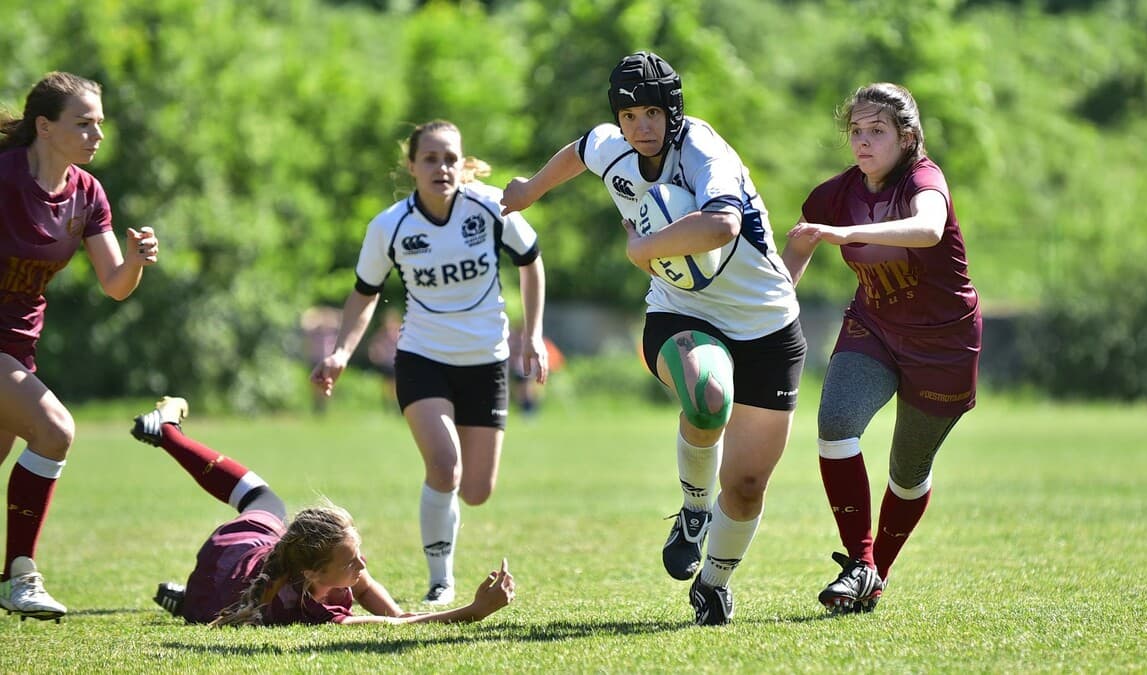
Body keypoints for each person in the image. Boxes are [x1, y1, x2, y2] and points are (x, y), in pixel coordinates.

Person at [502, 51, 806, 626]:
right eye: (629, 115)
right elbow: (578, 152)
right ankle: (694, 510)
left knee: (744, 486)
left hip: (766, 320)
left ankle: (714, 584)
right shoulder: (611, 143)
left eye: (651, 114)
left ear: (673, 112)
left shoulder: (703, 152)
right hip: (681, 309)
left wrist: (642, 247)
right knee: (706, 391)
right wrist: (531, 190)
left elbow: (723, 224)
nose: (640, 127)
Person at [311, 120, 548, 607]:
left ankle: (448, 524)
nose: (441, 167)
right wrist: (340, 352)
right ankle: (441, 581)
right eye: (430, 158)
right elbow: (364, 295)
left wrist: (535, 334)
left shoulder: (490, 206)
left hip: (487, 361)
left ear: (462, 164)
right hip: (423, 359)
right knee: (445, 467)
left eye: (450, 158)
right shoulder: (390, 226)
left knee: (477, 491)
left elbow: (531, 260)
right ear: (412, 166)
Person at [782, 83, 982, 614]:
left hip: (945, 342)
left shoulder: (924, 178)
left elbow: (928, 227)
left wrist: (844, 235)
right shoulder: (836, 194)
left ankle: (875, 574)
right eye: (856, 131)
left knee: (907, 472)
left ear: (907, 136)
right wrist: (770, 302)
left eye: (877, 131)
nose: (863, 142)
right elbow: (801, 240)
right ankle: (860, 563)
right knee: (835, 423)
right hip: (874, 327)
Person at [129, 397, 516, 626]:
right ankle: (192, 601)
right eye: (351, 561)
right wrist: (475, 611)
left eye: (357, 553)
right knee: (265, 512)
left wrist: (396, 613)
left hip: (237, 557)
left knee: (265, 503)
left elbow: (366, 589)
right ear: (312, 573)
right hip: (234, 561)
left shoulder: (308, 562)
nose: (362, 565)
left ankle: (196, 598)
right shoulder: (306, 605)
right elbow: (390, 629)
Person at [0, 71, 159, 622]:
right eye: (83, 123)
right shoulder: (3, 179)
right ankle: (20, 577)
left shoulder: (87, 193)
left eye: (100, 124)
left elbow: (114, 284)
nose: (97, 135)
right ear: (44, 127)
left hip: (17, 347)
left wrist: (136, 260)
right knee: (55, 430)